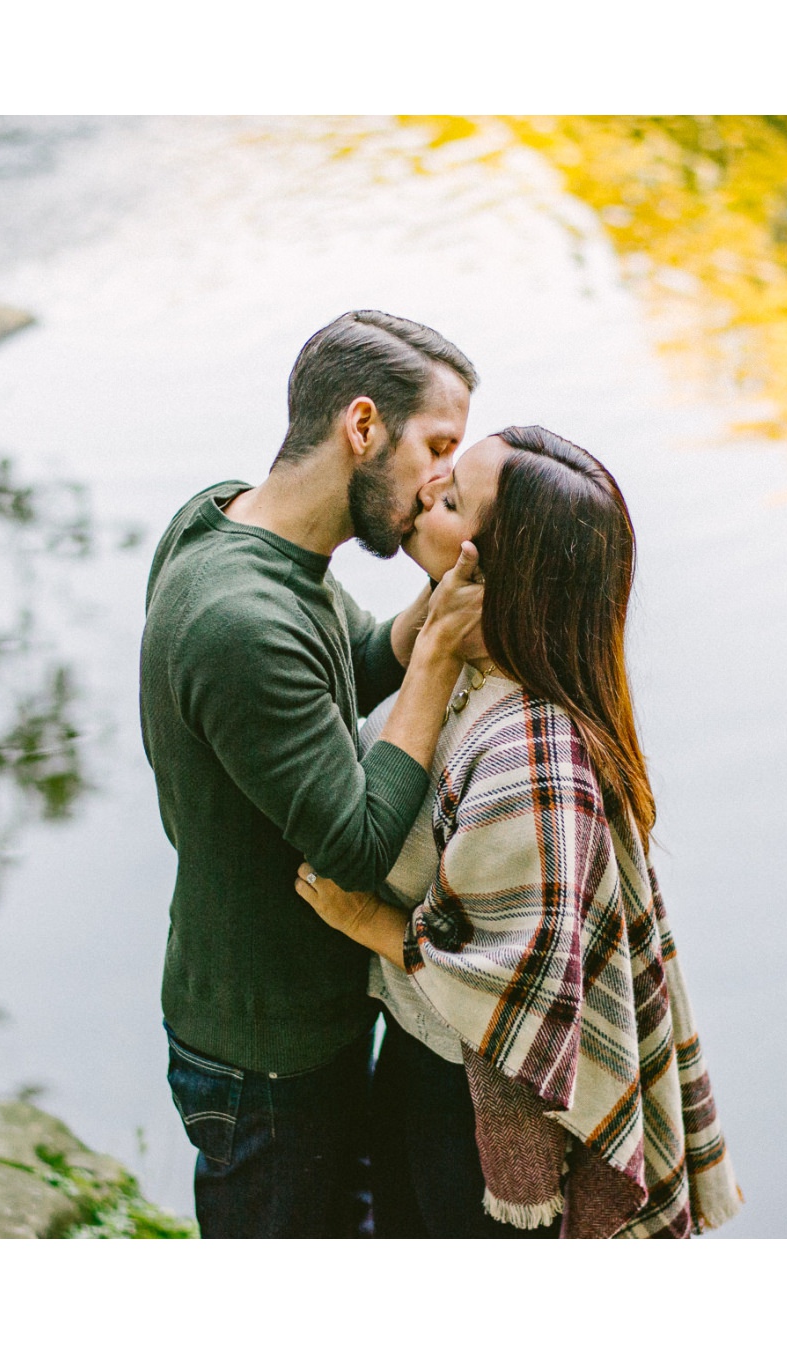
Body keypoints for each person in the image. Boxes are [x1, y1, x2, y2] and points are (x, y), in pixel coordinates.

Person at [295, 425, 743, 1238]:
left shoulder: (530, 754)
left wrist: (363, 918)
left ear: (495, 569)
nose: (428, 489)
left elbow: (506, 975)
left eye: (454, 498)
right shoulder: (457, 662)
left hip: (470, 1096)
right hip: (416, 1048)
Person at [140, 311, 488, 1237]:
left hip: (298, 1026)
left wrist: (431, 611)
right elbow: (361, 844)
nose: (446, 479)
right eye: (438, 447)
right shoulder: (241, 623)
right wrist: (443, 659)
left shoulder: (229, 522)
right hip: (267, 1059)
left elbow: (348, 660)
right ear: (363, 426)